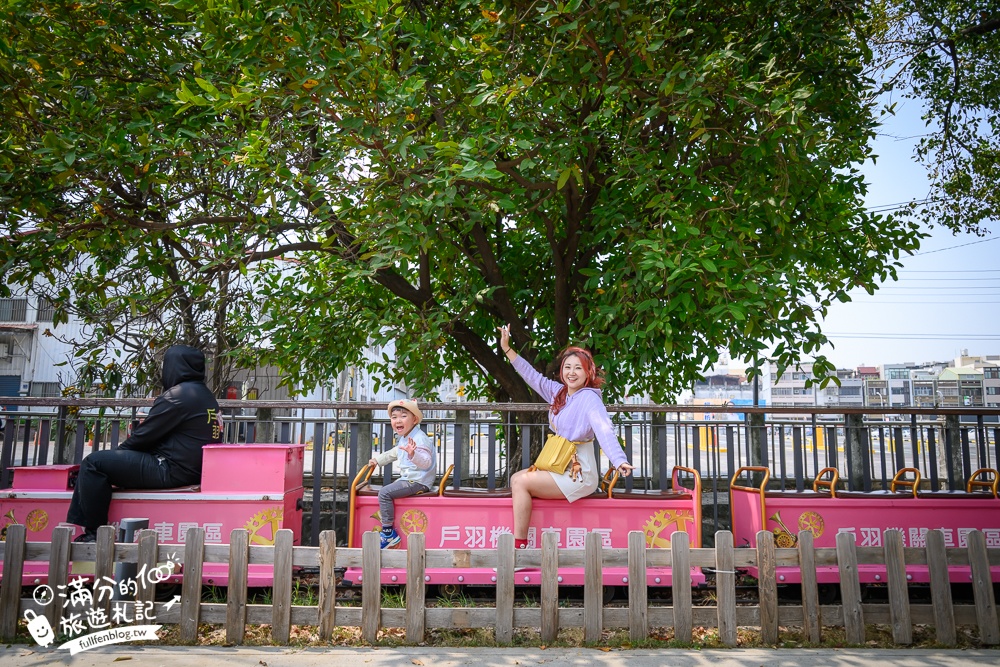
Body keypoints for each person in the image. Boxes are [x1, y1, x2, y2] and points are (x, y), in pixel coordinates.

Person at [67, 345, 223, 542]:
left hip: (171, 470)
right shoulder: (205, 396)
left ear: (174, 367)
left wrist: (117, 459)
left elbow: (143, 437)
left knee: (94, 463)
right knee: (106, 462)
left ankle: (94, 533)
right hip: (193, 469)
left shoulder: (178, 396)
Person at [498, 324, 634, 549]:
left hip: (579, 473)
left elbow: (604, 429)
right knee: (516, 478)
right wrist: (506, 348)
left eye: (578, 368)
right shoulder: (559, 393)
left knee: (521, 482)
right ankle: (533, 539)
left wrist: (619, 460)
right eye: (567, 367)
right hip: (560, 465)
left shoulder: (590, 399)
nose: (572, 372)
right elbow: (532, 376)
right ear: (562, 371)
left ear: (588, 372)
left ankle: (519, 547)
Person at [368, 399, 435, 549]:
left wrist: (413, 454)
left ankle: (388, 533)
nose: (398, 420)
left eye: (403, 416)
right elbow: (395, 452)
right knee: (389, 489)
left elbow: (426, 462)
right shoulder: (406, 437)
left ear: (414, 420)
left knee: (384, 493)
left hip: (418, 481)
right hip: (411, 479)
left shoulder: (419, 439)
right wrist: (378, 460)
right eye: (394, 417)